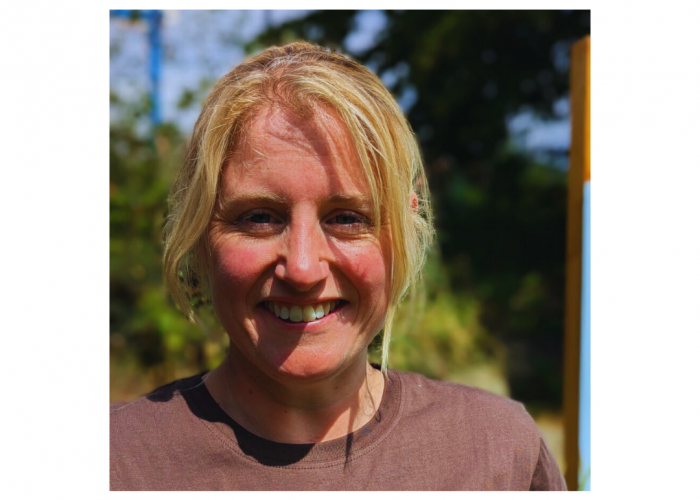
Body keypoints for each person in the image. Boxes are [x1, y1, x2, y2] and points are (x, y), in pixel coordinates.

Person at [110, 41, 566, 491]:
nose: (304, 268)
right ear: (201, 237)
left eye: (347, 218)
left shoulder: (497, 455)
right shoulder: (116, 463)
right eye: (259, 217)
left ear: (406, 229)